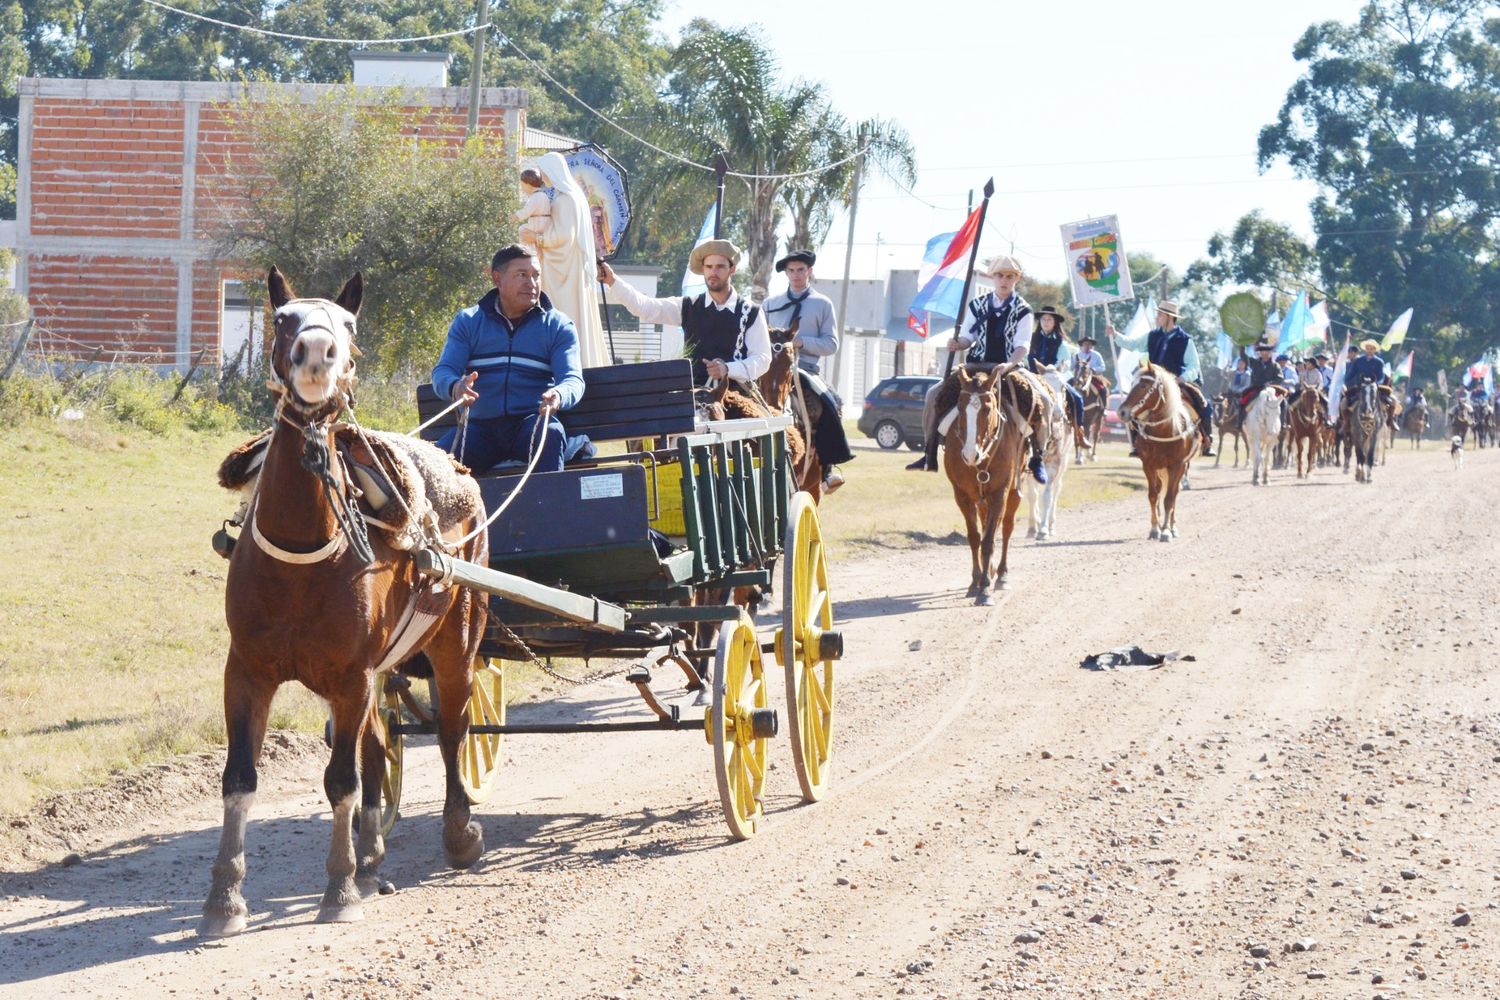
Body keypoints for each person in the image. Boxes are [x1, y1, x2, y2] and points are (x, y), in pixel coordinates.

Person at [431, 244, 583, 475]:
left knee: (550, 434)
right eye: (522, 275)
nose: (531, 284)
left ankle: (549, 509)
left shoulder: (558, 326)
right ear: (497, 279)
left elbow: (573, 379)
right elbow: (443, 372)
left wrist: (559, 395)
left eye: (536, 275)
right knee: (436, 463)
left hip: (531, 424)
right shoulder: (468, 322)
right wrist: (455, 387)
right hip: (479, 430)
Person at [907, 255, 1046, 478]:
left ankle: (1037, 457)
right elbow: (966, 338)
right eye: (1000, 275)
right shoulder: (976, 305)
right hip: (975, 366)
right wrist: (957, 343)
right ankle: (929, 452)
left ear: (1016, 279)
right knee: (934, 394)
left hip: (1008, 368)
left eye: (1009, 276)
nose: (1004, 280)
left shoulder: (1024, 310)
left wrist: (1008, 364)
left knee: (1041, 400)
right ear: (992, 277)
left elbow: (1023, 346)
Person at [598, 237, 771, 387]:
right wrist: (612, 280)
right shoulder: (688, 306)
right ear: (703, 269)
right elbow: (646, 308)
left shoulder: (752, 312)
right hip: (693, 395)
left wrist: (727, 368)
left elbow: (763, 359)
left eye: (719, 267)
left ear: (731, 269)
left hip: (738, 396)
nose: (713, 272)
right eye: (709, 267)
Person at [762, 248, 854, 494]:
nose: (796, 275)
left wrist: (802, 343)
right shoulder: (770, 304)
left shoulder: (822, 304)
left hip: (805, 368)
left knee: (829, 402)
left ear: (809, 271)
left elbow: (831, 344)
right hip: (769, 370)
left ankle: (828, 469)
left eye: (800, 270)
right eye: (791, 271)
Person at [523, 152, 608, 368]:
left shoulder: (564, 200)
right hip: (570, 268)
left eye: (544, 172)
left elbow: (563, 237)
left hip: (564, 271)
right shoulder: (574, 197)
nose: (543, 177)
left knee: (563, 316)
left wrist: (536, 237)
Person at [1108, 299, 1215, 456]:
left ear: (1169, 317)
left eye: (1159, 315)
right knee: (1135, 403)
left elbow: (1193, 366)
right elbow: (1132, 344)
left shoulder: (1185, 340)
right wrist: (1115, 334)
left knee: (1203, 404)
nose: (1157, 317)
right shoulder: (1152, 335)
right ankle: (1137, 443)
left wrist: (1183, 378)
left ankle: (1207, 441)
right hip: (1154, 382)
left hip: (1177, 383)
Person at [1028, 305, 1087, 443]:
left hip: (1054, 378)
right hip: (1033, 377)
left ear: (1055, 322)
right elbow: (1025, 356)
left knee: (1077, 398)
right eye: (1043, 319)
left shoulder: (1061, 342)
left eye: (1049, 319)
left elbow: (1065, 361)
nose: (1046, 322)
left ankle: (1080, 432)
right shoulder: (1031, 338)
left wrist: (1050, 370)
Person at [513, 168, 554, 240]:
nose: (522, 189)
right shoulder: (543, 195)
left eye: (522, 185)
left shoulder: (535, 197)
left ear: (528, 184)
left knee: (522, 230)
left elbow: (527, 210)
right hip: (545, 223)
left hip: (537, 223)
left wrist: (517, 216)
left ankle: (526, 249)